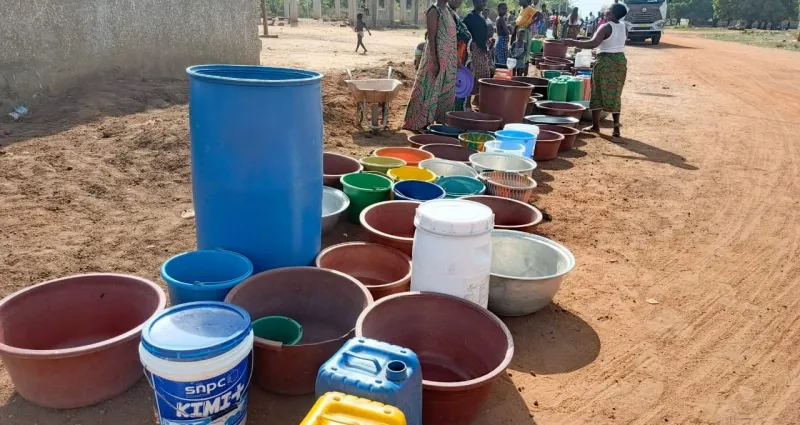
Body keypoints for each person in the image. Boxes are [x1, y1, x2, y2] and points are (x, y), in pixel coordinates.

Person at [563, 3, 628, 137]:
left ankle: (595, 126)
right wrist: (583, 40)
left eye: (608, 10)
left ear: (612, 14)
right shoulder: (624, 26)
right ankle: (616, 127)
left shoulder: (605, 26)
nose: (605, 11)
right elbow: (609, 41)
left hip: (605, 62)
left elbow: (593, 43)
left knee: (597, 92)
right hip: (620, 61)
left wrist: (573, 42)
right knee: (616, 93)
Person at [402, 0, 458, 130]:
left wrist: (456, 59)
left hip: (448, 60)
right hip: (436, 58)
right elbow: (431, 37)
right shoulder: (434, 11)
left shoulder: (449, 11)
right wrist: (434, 61)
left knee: (444, 91)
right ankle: (419, 123)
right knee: (428, 89)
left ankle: (438, 120)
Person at [464, 0, 493, 102]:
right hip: (473, 49)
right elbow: (465, 33)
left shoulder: (481, 17)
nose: (483, 4)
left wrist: (486, 44)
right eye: (481, 2)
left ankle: (477, 99)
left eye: (484, 2)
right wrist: (470, 45)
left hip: (482, 49)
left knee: (484, 74)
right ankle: (468, 102)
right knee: (473, 75)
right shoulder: (470, 17)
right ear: (474, 3)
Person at [511, 0, 536, 76]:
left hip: (524, 31)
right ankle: (519, 71)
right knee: (518, 50)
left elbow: (540, 16)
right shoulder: (522, 8)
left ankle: (524, 73)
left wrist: (530, 24)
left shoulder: (530, 9)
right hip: (519, 30)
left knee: (524, 51)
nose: (519, 1)